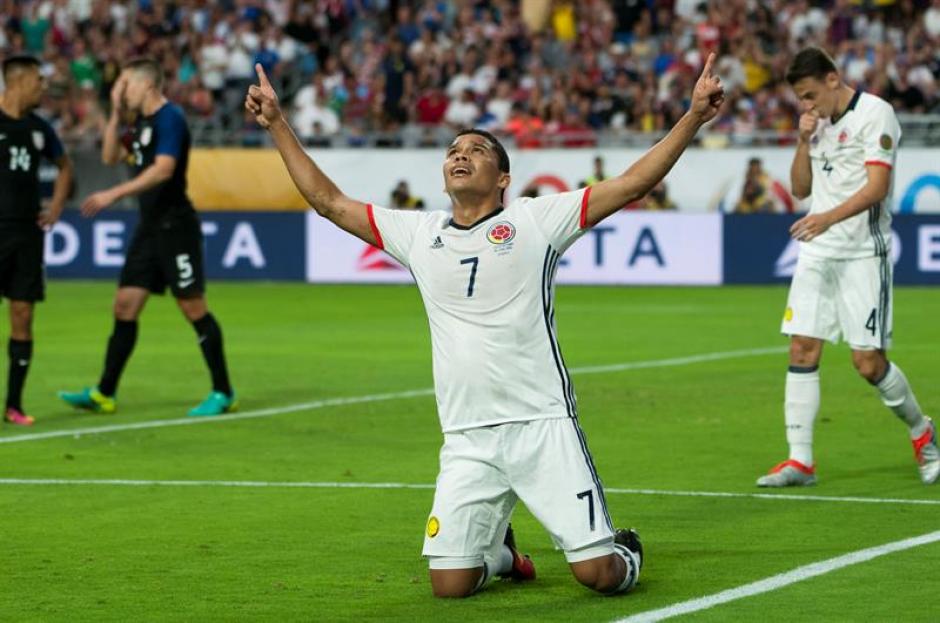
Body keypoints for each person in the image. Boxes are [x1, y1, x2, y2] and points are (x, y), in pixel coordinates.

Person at [245, 55, 723, 597]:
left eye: (475, 150)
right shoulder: (418, 234)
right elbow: (329, 202)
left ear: (503, 178)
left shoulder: (536, 221)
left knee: (598, 577)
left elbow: (634, 183)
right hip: (466, 435)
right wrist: (277, 124)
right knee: (449, 585)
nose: (459, 155)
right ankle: (502, 554)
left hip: (541, 423)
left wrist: (692, 118)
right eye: (453, 150)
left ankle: (625, 548)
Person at [757, 47, 938, 487]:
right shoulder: (815, 125)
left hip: (862, 254)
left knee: (869, 364)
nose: (807, 104)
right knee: (802, 348)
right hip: (818, 254)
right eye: (800, 98)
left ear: (833, 79)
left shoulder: (876, 114)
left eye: (810, 94)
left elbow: (877, 188)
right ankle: (800, 460)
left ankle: (923, 434)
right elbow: (801, 190)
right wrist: (803, 140)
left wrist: (825, 218)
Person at [58, 58, 236, 417]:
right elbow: (110, 156)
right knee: (124, 305)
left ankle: (222, 391)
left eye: (126, 84)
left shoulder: (170, 118)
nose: (122, 90)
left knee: (192, 307)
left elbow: (164, 170)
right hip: (149, 227)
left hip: (176, 227)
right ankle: (104, 392)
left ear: (146, 85)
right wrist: (113, 115)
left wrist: (115, 194)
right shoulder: (138, 122)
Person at [0, 56, 73, 426]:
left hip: (27, 234)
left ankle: (13, 404)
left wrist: (56, 206)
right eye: (38, 81)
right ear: (19, 81)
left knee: (23, 315)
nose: (43, 88)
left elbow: (64, 168)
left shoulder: (40, 129)